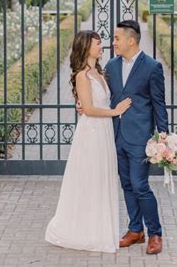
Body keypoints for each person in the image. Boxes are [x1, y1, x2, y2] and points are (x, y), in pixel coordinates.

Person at [79, 19, 169, 255]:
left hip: (140, 138)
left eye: (117, 38)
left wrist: (163, 138)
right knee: (127, 184)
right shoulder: (111, 65)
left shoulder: (152, 67)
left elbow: (159, 105)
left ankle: (155, 233)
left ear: (131, 40)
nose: (113, 42)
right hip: (115, 136)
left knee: (140, 185)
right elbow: (100, 94)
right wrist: (83, 105)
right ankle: (135, 230)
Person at [45, 30, 131, 253]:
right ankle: (86, 231)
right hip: (92, 133)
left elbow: (89, 105)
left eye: (101, 43)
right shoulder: (82, 75)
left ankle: (100, 228)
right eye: (97, 43)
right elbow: (90, 109)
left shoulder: (98, 72)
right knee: (91, 179)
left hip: (102, 132)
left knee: (102, 178)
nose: (101, 46)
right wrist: (115, 111)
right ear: (85, 47)